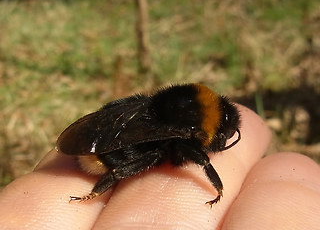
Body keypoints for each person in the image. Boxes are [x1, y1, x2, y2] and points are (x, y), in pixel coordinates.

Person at [0, 105, 320, 229]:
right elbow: (200, 157)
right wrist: (218, 187)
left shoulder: (172, 108)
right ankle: (94, 193)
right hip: (102, 160)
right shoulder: (184, 133)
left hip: (104, 135)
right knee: (153, 154)